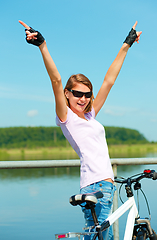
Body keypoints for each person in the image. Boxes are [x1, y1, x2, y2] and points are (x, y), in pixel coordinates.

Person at [19, 20, 142, 240]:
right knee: (102, 237)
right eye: (77, 93)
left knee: (96, 236)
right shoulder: (65, 118)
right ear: (67, 94)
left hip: (104, 185)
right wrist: (42, 45)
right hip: (96, 186)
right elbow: (56, 80)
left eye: (86, 94)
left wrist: (126, 45)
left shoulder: (89, 115)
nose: (82, 99)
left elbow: (108, 81)